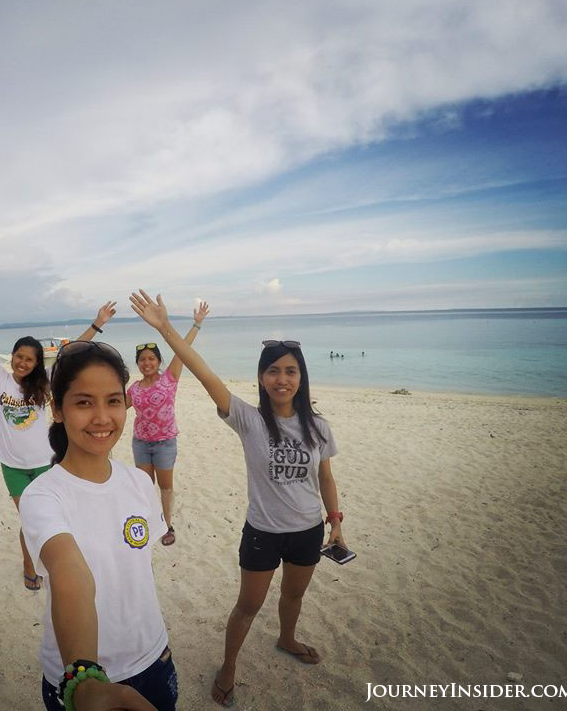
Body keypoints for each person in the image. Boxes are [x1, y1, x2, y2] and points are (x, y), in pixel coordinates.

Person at [130, 291, 344, 709]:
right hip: (263, 533)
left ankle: (286, 637)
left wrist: (335, 521)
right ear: (261, 378)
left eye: (291, 372)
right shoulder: (248, 419)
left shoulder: (318, 426)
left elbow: (326, 477)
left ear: (301, 379)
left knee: (295, 596)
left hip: (308, 531)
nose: (282, 379)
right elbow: (202, 371)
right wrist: (165, 329)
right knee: (247, 605)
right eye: (273, 372)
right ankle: (229, 664)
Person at [20, 340, 176, 711]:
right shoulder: (43, 496)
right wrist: (85, 679)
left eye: (113, 401)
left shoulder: (140, 482)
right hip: (77, 682)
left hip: (153, 658)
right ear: (57, 409)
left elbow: (136, 567)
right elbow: (69, 573)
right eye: (84, 402)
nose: (103, 417)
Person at [0, 269, 117, 591]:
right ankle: (30, 566)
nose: (23, 363)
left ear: (35, 363)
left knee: (51, 516)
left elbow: (70, 353)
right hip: (13, 467)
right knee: (29, 519)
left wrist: (98, 323)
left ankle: (52, 562)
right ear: (12, 357)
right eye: (19, 356)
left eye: (29, 360)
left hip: (46, 463)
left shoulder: (43, 384)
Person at [120, 301, 209, 546]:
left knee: (166, 487)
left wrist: (197, 324)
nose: (146, 363)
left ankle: (167, 525)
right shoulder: (134, 389)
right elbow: (117, 408)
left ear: (159, 361)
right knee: (145, 486)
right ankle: (150, 521)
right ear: (137, 364)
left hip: (165, 443)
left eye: (151, 359)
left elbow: (183, 348)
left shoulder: (170, 377)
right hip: (141, 443)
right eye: (142, 360)